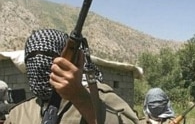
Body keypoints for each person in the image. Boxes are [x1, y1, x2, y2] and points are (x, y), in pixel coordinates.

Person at [4, 29, 139, 124]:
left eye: (48, 57)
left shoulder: (99, 97)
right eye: (32, 58)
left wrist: (79, 96)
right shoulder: (19, 113)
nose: (38, 66)